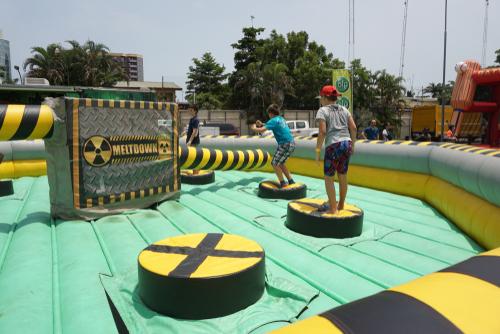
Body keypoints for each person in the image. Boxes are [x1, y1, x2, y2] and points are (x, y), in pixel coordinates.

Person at [315, 85, 357, 215]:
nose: (320, 101)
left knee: (329, 178)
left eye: (321, 98)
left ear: (324, 97)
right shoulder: (344, 109)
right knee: (343, 175)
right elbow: (354, 128)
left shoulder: (322, 110)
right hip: (347, 143)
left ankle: (333, 210)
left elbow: (322, 132)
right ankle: (341, 204)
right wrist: (353, 145)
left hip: (333, 145)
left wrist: (317, 151)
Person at [251, 104, 296, 187]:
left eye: (268, 114)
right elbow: (273, 125)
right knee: (281, 163)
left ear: (271, 113)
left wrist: (254, 127)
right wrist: (261, 123)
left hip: (284, 144)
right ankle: (291, 180)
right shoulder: (281, 119)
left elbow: (261, 131)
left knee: (274, 163)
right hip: (291, 143)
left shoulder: (273, 120)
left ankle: (282, 183)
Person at [186, 104, 201, 175]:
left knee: (195, 158)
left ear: (195, 111)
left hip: (194, 142)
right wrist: (184, 132)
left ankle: (196, 174)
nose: (189, 111)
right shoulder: (192, 119)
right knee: (192, 157)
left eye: (191, 110)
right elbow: (191, 130)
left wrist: (190, 141)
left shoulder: (196, 120)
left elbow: (195, 131)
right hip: (192, 141)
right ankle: (194, 172)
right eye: (189, 110)